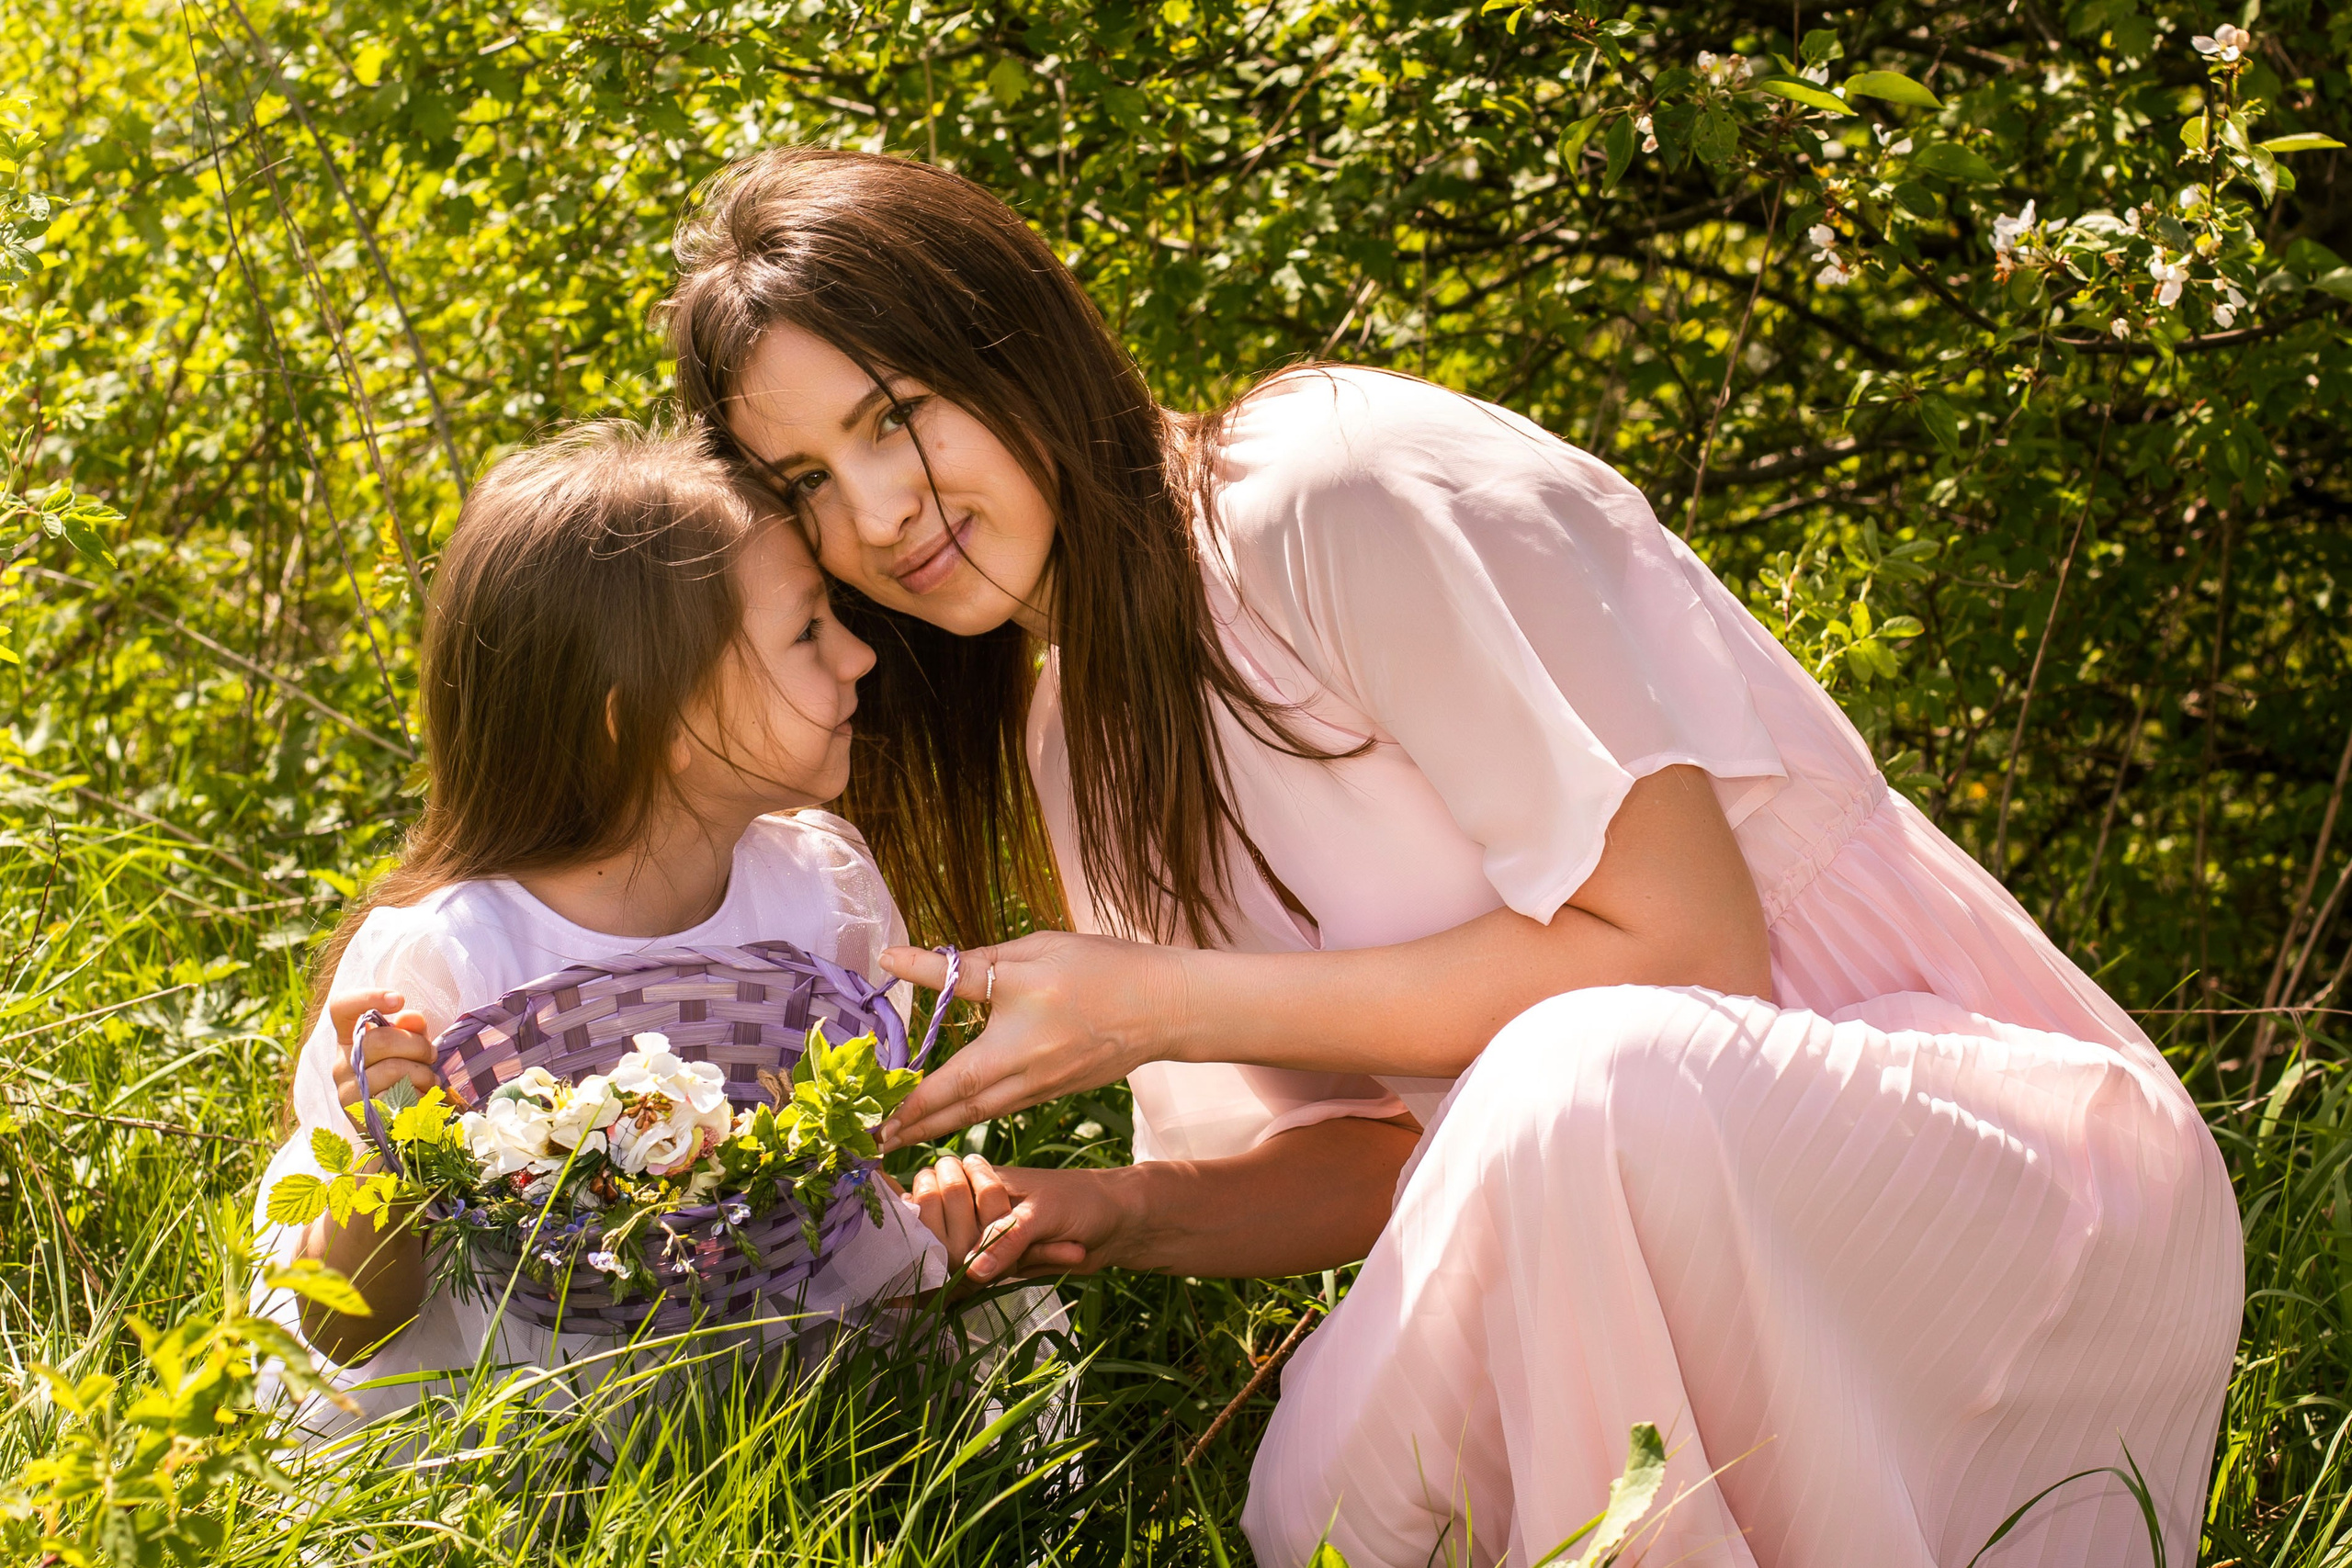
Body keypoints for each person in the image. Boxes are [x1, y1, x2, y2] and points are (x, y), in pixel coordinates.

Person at [651, 146, 2244, 1567]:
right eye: (807, 483)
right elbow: (1389, 1157)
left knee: (1587, 1080)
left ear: (1013, 340)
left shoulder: (1328, 487)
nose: (877, 512)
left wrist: (1160, 1002)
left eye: (897, 416)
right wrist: (1100, 1205)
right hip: (1628, 1195)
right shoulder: (1081, 739)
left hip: (1967, 1170)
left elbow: (1693, 962)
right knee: (1323, 1504)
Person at [255, 421, 951, 1435]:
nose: (858, 652)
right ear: (653, 724)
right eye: (807, 631)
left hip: (782, 1362)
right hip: (523, 1412)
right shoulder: (449, 960)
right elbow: (345, 1324)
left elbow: (853, 1174)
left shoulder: (819, 887)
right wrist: (388, 1155)